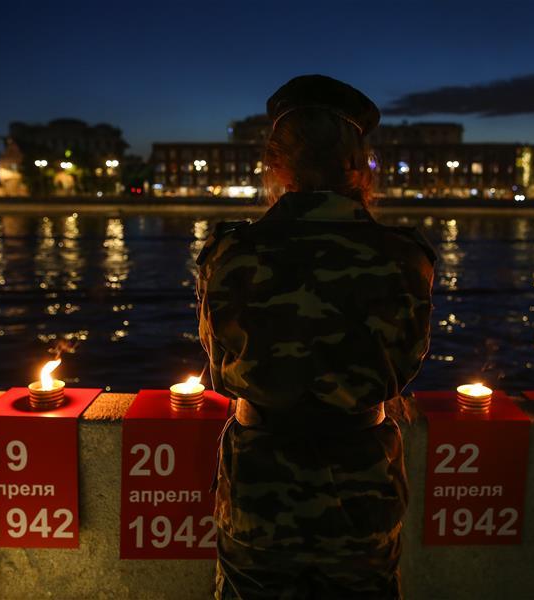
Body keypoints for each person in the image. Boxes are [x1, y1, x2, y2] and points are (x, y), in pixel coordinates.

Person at [196, 74, 436, 599]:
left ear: (277, 164)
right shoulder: (402, 255)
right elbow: (405, 364)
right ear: (357, 162)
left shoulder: (231, 252)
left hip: (259, 494)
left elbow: (220, 367)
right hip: (361, 492)